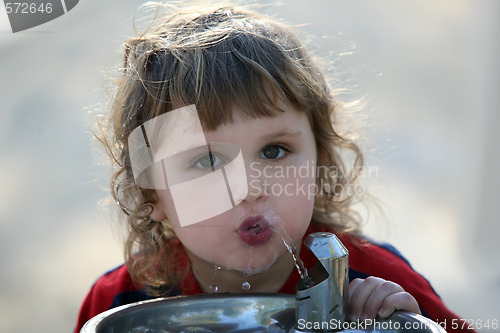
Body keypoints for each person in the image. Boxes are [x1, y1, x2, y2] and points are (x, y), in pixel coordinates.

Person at [75, 2, 474, 332]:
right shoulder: (120, 300)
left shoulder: (371, 283)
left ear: (319, 160)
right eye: (208, 160)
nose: (250, 187)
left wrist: (402, 322)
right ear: (152, 194)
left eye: (274, 151)